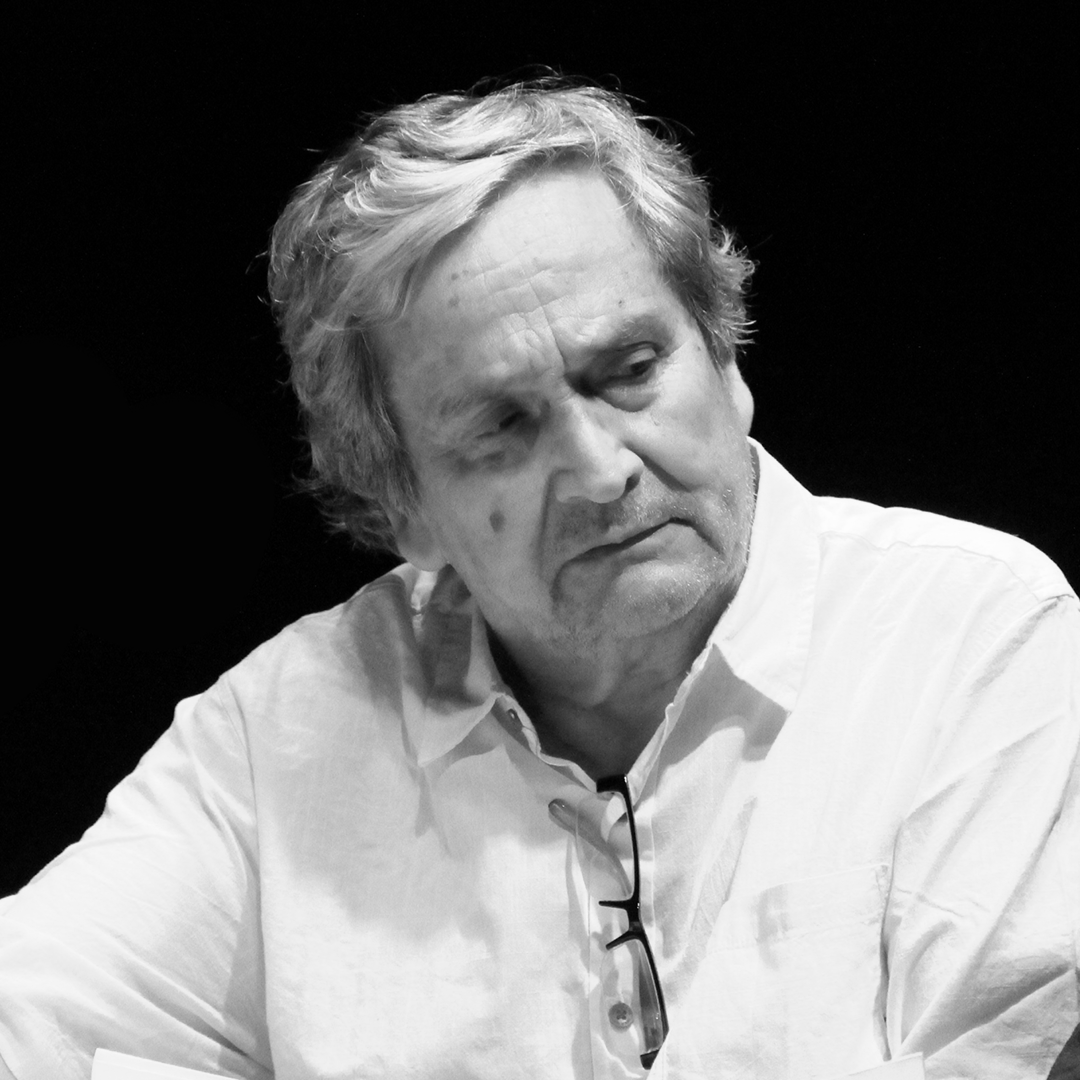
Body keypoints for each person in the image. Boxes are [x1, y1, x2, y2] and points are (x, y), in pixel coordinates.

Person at [0, 80, 1076, 1079]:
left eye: (631, 370)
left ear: (727, 358)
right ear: (402, 506)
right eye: (504, 427)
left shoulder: (979, 640)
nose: (602, 472)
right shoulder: (278, 737)